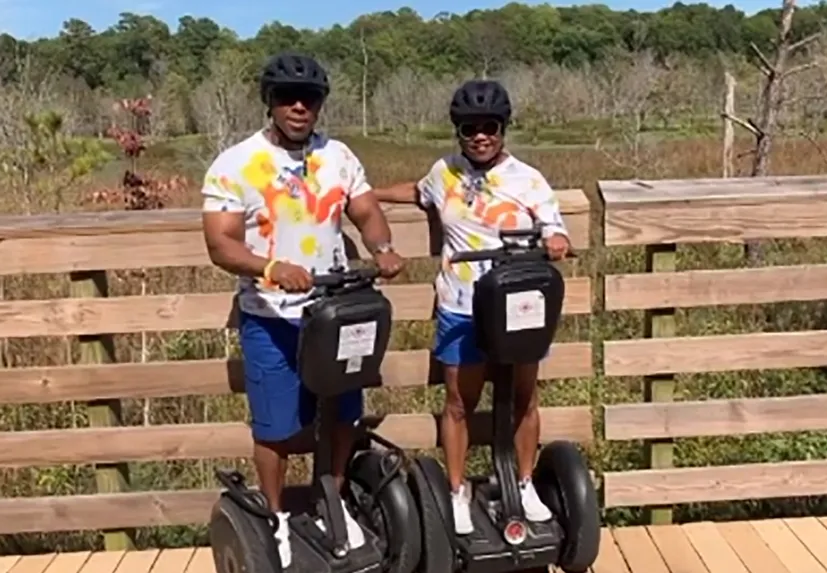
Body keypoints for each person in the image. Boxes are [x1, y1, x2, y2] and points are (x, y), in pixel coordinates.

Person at [200, 52, 404, 568]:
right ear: (269, 102)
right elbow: (221, 245)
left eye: (308, 98)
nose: (298, 107)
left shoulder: (338, 156)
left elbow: (366, 211)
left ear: (319, 104)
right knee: (277, 429)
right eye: (286, 98)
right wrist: (270, 268)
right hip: (272, 316)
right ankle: (275, 518)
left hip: (335, 312)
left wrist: (381, 250)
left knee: (343, 417)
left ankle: (331, 501)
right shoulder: (235, 164)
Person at [372, 79, 570, 536]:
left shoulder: (528, 179)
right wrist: (366, 195)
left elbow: (553, 226)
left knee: (524, 398)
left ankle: (522, 483)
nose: (480, 136)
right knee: (460, 401)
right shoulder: (445, 172)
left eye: (489, 127)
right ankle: (458, 489)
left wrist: (556, 240)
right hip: (462, 302)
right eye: (469, 129)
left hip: (516, 304)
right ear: (458, 132)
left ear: (503, 128)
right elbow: (417, 192)